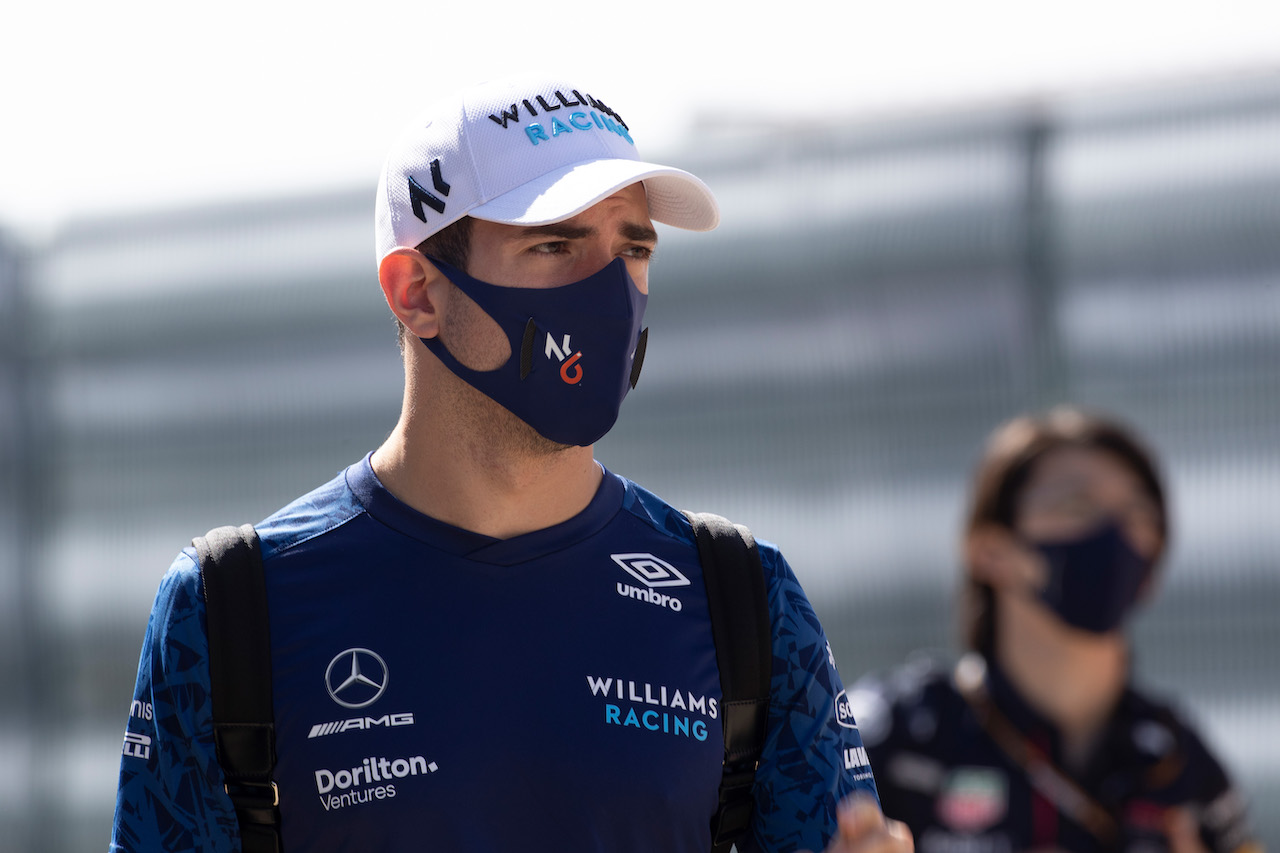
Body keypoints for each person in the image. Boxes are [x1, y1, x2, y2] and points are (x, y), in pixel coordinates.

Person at [109, 74, 913, 853]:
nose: (610, 291)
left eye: (633, 250)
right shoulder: (228, 606)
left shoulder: (741, 595)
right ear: (416, 290)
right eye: (556, 244)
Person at [848, 407, 1261, 853]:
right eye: (1076, 505)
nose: (1115, 532)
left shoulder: (1177, 760)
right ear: (989, 550)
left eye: (1138, 513)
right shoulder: (892, 737)